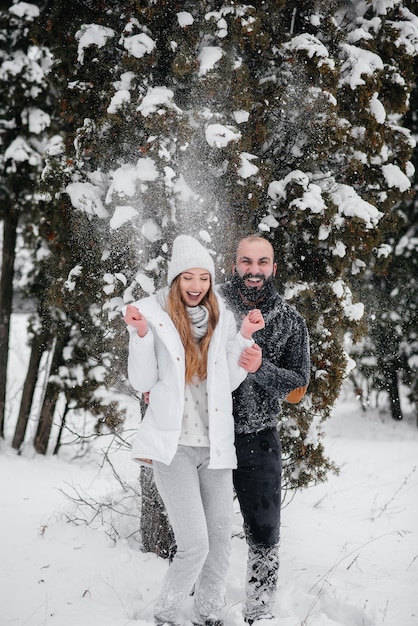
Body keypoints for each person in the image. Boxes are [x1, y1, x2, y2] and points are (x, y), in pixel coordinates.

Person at [123, 235, 265, 626]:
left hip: (215, 450)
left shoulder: (223, 319)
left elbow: (229, 381)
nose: (197, 285)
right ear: (175, 280)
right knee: (195, 545)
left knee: (219, 545)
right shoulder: (153, 318)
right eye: (188, 277)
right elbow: (143, 380)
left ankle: (208, 615)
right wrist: (139, 336)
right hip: (175, 450)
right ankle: (166, 615)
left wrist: (246, 343)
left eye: (204, 277)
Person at [218, 235, 310, 625]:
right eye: (245, 261)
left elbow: (298, 390)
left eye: (262, 262)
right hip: (209, 434)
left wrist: (261, 369)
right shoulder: (212, 305)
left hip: (259, 438)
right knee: (204, 530)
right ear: (234, 263)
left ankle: (260, 612)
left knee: (264, 533)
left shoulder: (290, 320)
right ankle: (203, 606)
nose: (253, 270)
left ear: (273, 267)